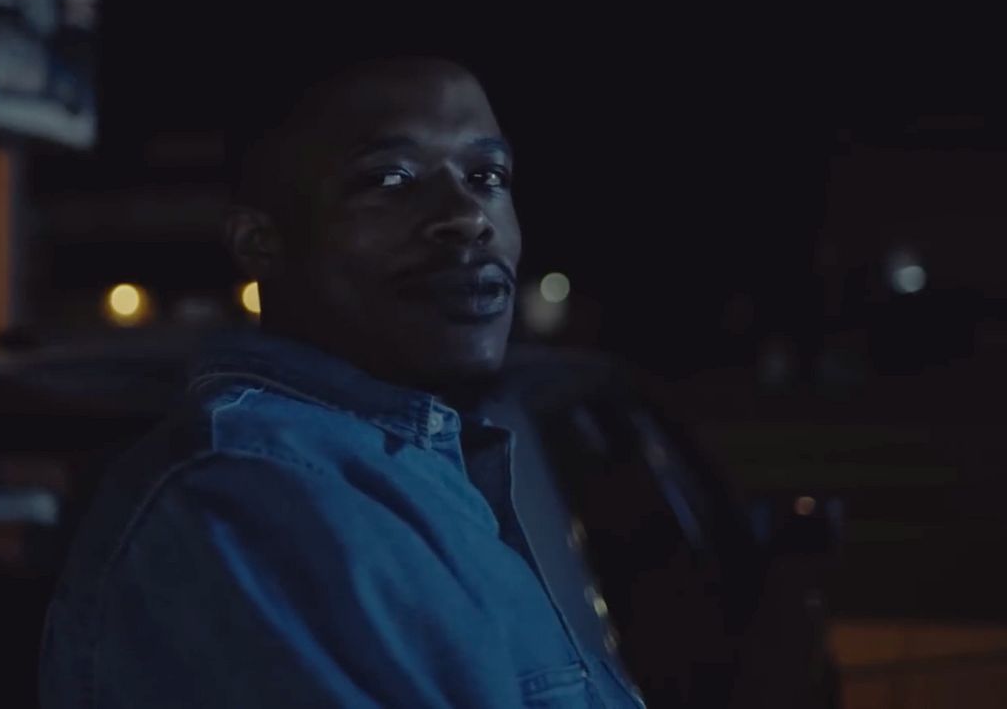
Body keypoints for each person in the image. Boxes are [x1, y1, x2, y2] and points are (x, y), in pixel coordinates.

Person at [40, 56, 645, 707]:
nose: (469, 216)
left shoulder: (418, 466)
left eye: (486, 175)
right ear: (259, 243)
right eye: (392, 179)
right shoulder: (248, 501)